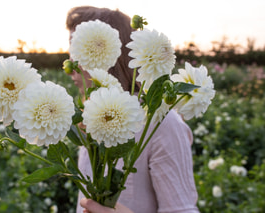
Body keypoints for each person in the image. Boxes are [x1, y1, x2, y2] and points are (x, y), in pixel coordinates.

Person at [66, 6, 200, 213]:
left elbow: (182, 210)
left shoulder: (161, 123)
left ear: (110, 53)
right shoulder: (90, 117)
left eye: (78, 50)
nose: (70, 64)